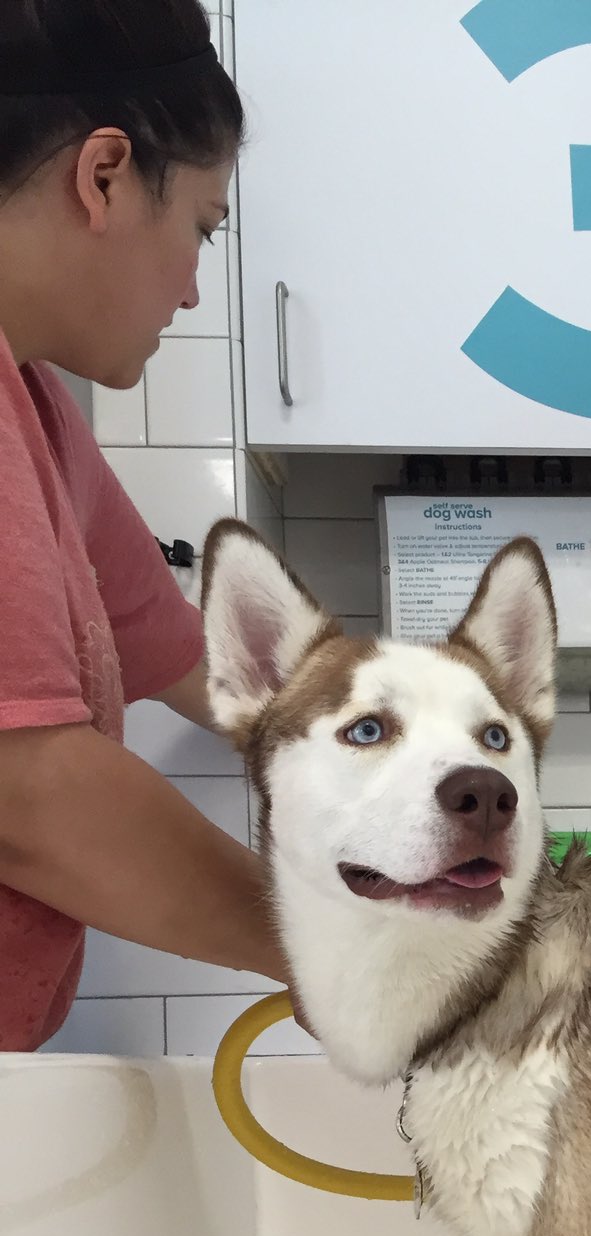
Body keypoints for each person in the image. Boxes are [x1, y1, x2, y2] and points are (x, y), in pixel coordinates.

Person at [0, 0, 290, 1053]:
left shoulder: (35, 408)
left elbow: (194, 659)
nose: (192, 287)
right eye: (203, 228)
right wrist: (341, 951)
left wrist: (427, 729)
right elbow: (30, 794)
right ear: (106, 174)